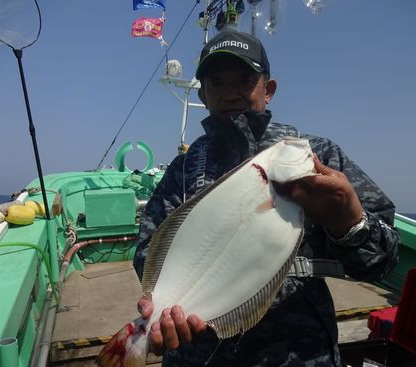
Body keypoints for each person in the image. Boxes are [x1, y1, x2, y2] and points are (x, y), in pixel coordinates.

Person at [133, 30, 399, 366]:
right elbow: (148, 249)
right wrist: (162, 306)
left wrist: (348, 224)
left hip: (299, 354)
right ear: (204, 92)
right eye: (217, 83)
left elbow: (384, 260)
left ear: (268, 89)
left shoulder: (318, 157)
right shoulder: (182, 169)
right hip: (199, 355)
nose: (230, 93)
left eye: (244, 81)